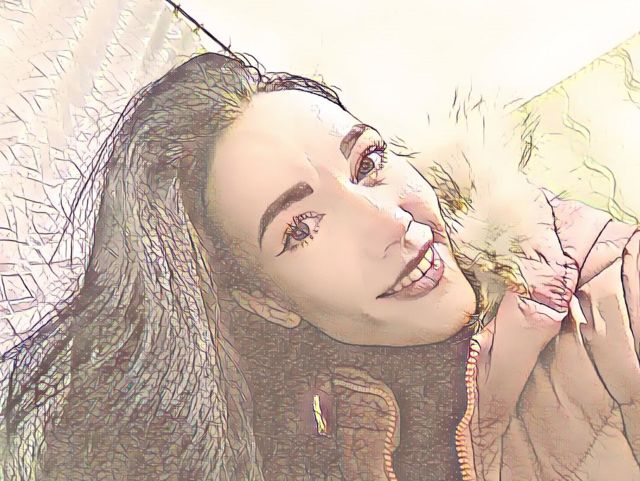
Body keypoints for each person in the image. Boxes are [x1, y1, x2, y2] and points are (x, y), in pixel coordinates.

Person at [1, 51, 639, 481]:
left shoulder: (616, 299)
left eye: (368, 163)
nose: (390, 223)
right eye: (302, 227)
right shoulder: (301, 442)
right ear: (267, 301)